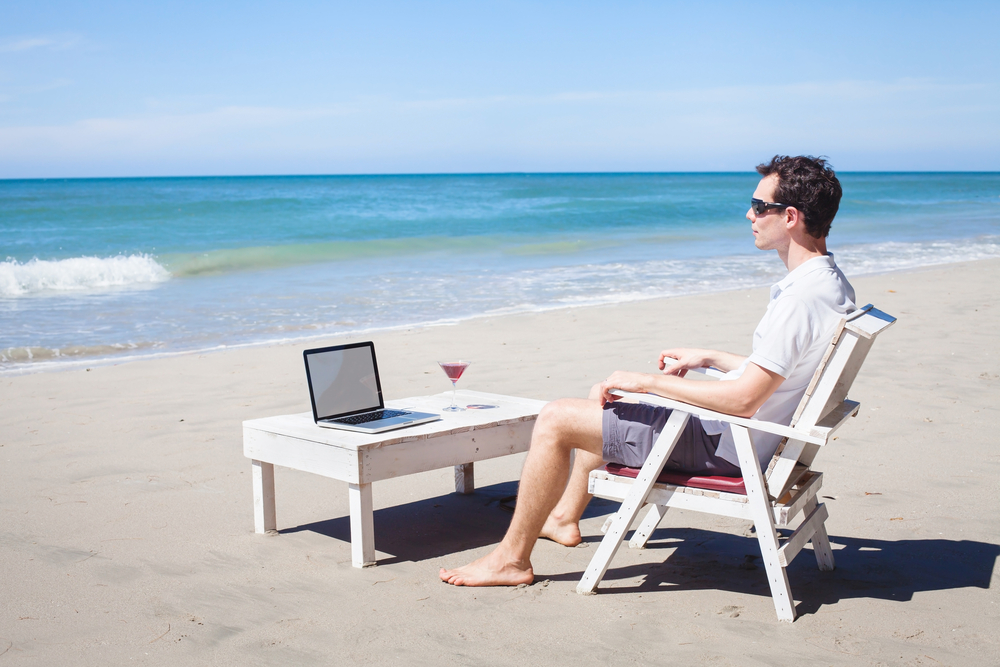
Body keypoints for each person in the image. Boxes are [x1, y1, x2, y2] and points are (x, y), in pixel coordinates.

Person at [440, 155, 857, 587]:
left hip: (728, 446)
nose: (749, 214)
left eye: (758, 205)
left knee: (556, 417)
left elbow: (744, 400)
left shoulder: (799, 300)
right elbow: (782, 370)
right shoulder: (828, 284)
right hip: (747, 439)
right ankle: (564, 517)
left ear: (790, 217)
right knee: (604, 400)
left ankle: (512, 560)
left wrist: (647, 384)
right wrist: (709, 357)